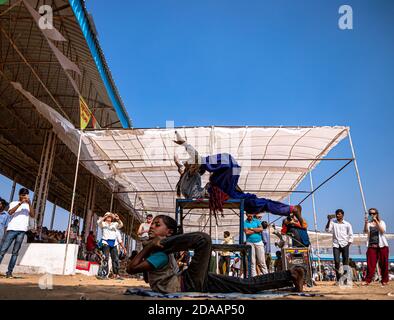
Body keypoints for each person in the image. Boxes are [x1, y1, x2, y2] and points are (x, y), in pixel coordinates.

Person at [126, 215, 305, 294]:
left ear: (169, 232)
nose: (151, 227)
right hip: (190, 281)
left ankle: (292, 275)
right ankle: (291, 274)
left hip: (187, 281)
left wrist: (152, 246)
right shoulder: (158, 254)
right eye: (152, 224)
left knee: (203, 240)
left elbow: (131, 268)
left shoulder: (160, 253)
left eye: (157, 224)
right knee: (245, 285)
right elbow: (139, 272)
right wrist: (150, 247)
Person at [173, 132, 303, 217]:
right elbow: (194, 160)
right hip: (216, 189)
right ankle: (288, 209)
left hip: (225, 188)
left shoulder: (187, 176)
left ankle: (290, 209)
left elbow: (183, 166)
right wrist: (184, 144)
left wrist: (179, 162)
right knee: (229, 162)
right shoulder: (190, 174)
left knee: (258, 202)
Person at [0, 188, 35, 278]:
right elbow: (10, 212)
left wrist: (29, 203)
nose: (24, 196)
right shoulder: (13, 203)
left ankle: (9, 272)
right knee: (3, 250)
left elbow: (33, 215)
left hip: (22, 231)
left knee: (15, 253)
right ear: (19, 195)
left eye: (26, 194)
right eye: (23, 194)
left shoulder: (28, 205)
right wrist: (20, 203)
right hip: (12, 229)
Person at [325, 209, 354, 283]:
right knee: (337, 262)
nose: (338, 215)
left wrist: (348, 244)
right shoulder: (333, 222)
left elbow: (351, 235)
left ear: (342, 215)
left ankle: (345, 280)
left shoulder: (347, 224)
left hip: (345, 245)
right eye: (337, 214)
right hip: (336, 245)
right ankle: (338, 280)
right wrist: (329, 220)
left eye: (339, 214)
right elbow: (327, 230)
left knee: (345, 262)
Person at [363, 208, 389, 286]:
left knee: (384, 263)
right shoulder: (369, 223)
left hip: (382, 246)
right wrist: (366, 223)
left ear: (377, 214)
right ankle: (368, 280)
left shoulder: (382, 222)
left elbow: (382, 231)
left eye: (374, 213)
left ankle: (385, 280)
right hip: (371, 246)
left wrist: (376, 221)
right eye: (370, 213)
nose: (372, 215)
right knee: (370, 264)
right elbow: (365, 231)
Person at [97, 212, 124, 280]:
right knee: (105, 258)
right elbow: (99, 222)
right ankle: (104, 274)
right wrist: (105, 216)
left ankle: (116, 274)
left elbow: (121, 225)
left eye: (110, 216)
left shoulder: (114, 224)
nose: (109, 217)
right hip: (105, 242)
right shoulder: (103, 223)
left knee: (116, 259)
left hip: (113, 243)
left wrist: (118, 219)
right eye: (108, 216)